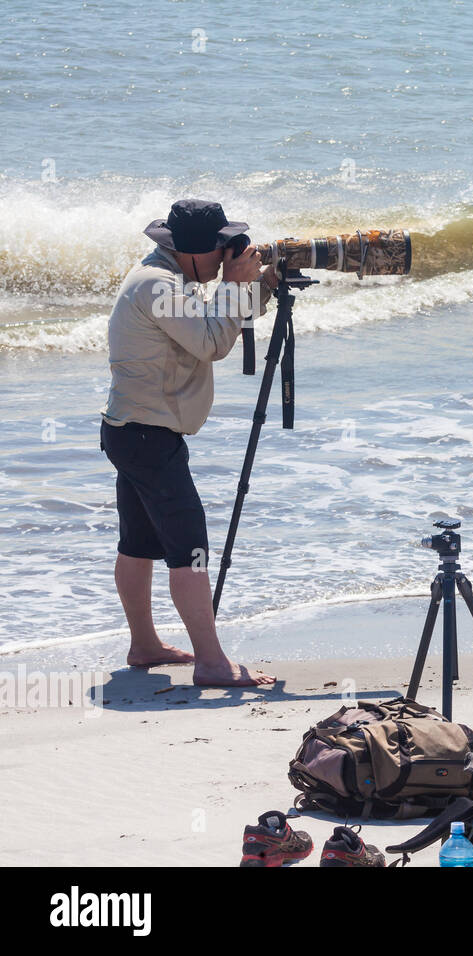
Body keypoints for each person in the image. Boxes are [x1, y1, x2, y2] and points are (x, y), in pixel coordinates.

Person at [100, 199, 278, 687]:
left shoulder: (169, 278)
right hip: (147, 437)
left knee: (138, 543)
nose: (226, 255)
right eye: (220, 247)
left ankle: (144, 645)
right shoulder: (160, 287)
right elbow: (213, 344)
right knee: (190, 548)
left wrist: (255, 289)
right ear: (195, 251)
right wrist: (236, 286)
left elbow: (211, 326)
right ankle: (213, 663)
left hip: (132, 431)